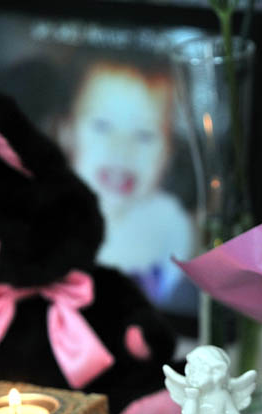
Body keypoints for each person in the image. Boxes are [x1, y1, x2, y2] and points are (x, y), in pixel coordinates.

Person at [60, 56, 194, 307]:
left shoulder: (171, 223)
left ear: (169, 153)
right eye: (102, 126)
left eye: (144, 135)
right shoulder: (42, 215)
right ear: (66, 134)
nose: (122, 149)